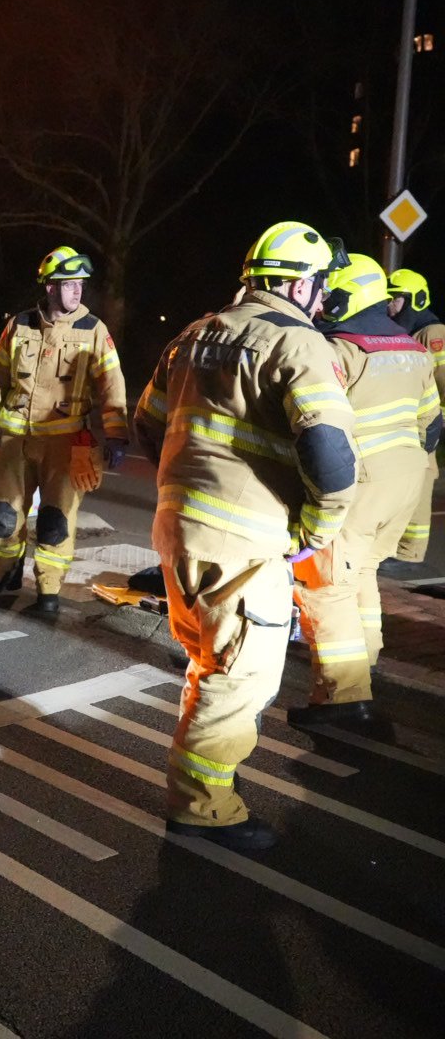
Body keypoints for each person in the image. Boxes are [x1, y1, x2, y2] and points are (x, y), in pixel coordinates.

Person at [133, 221, 357, 850]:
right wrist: (317, 528)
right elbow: (332, 458)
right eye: (316, 283)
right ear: (295, 283)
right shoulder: (301, 344)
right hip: (246, 542)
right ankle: (202, 808)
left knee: (210, 661)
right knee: (241, 675)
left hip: (178, 530)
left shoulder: (193, 335)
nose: (320, 296)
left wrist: (189, 489)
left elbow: (146, 424)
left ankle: (199, 795)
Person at [288, 255, 441, 726]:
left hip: (359, 486)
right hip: (407, 483)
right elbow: (432, 422)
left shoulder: (340, 349)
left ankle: (342, 698)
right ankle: (364, 663)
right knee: (364, 574)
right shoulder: (412, 349)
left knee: (326, 588)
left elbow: (319, 426)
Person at [0, 247, 127, 615]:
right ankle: (3, 572)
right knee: (2, 514)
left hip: (65, 441)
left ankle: (48, 589)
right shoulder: (20, 324)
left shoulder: (94, 330)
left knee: (56, 520)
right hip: (14, 439)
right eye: (69, 284)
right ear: (50, 288)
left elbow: (111, 384)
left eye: (80, 285)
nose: (77, 291)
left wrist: (116, 432)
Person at [389, 269, 443, 564]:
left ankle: (410, 553)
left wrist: (437, 422)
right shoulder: (412, 333)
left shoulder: (434, 334)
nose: (391, 305)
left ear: (415, 300)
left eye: (396, 298)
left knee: (421, 482)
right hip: (412, 422)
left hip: (426, 424)